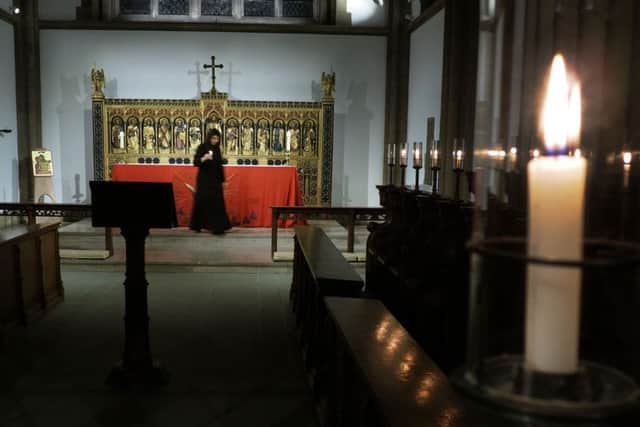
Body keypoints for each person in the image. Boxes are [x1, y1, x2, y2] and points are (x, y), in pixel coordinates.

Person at [190, 128, 231, 234]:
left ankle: (217, 227)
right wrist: (204, 158)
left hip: (215, 180)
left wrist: (223, 180)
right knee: (202, 201)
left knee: (217, 202)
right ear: (209, 138)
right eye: (213, 138)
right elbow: (195, 162)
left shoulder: (217, 149)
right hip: (204, 179)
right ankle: (198, 225)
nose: (215, 140)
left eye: (217, 138)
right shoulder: (202, 147)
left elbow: (219, 166)